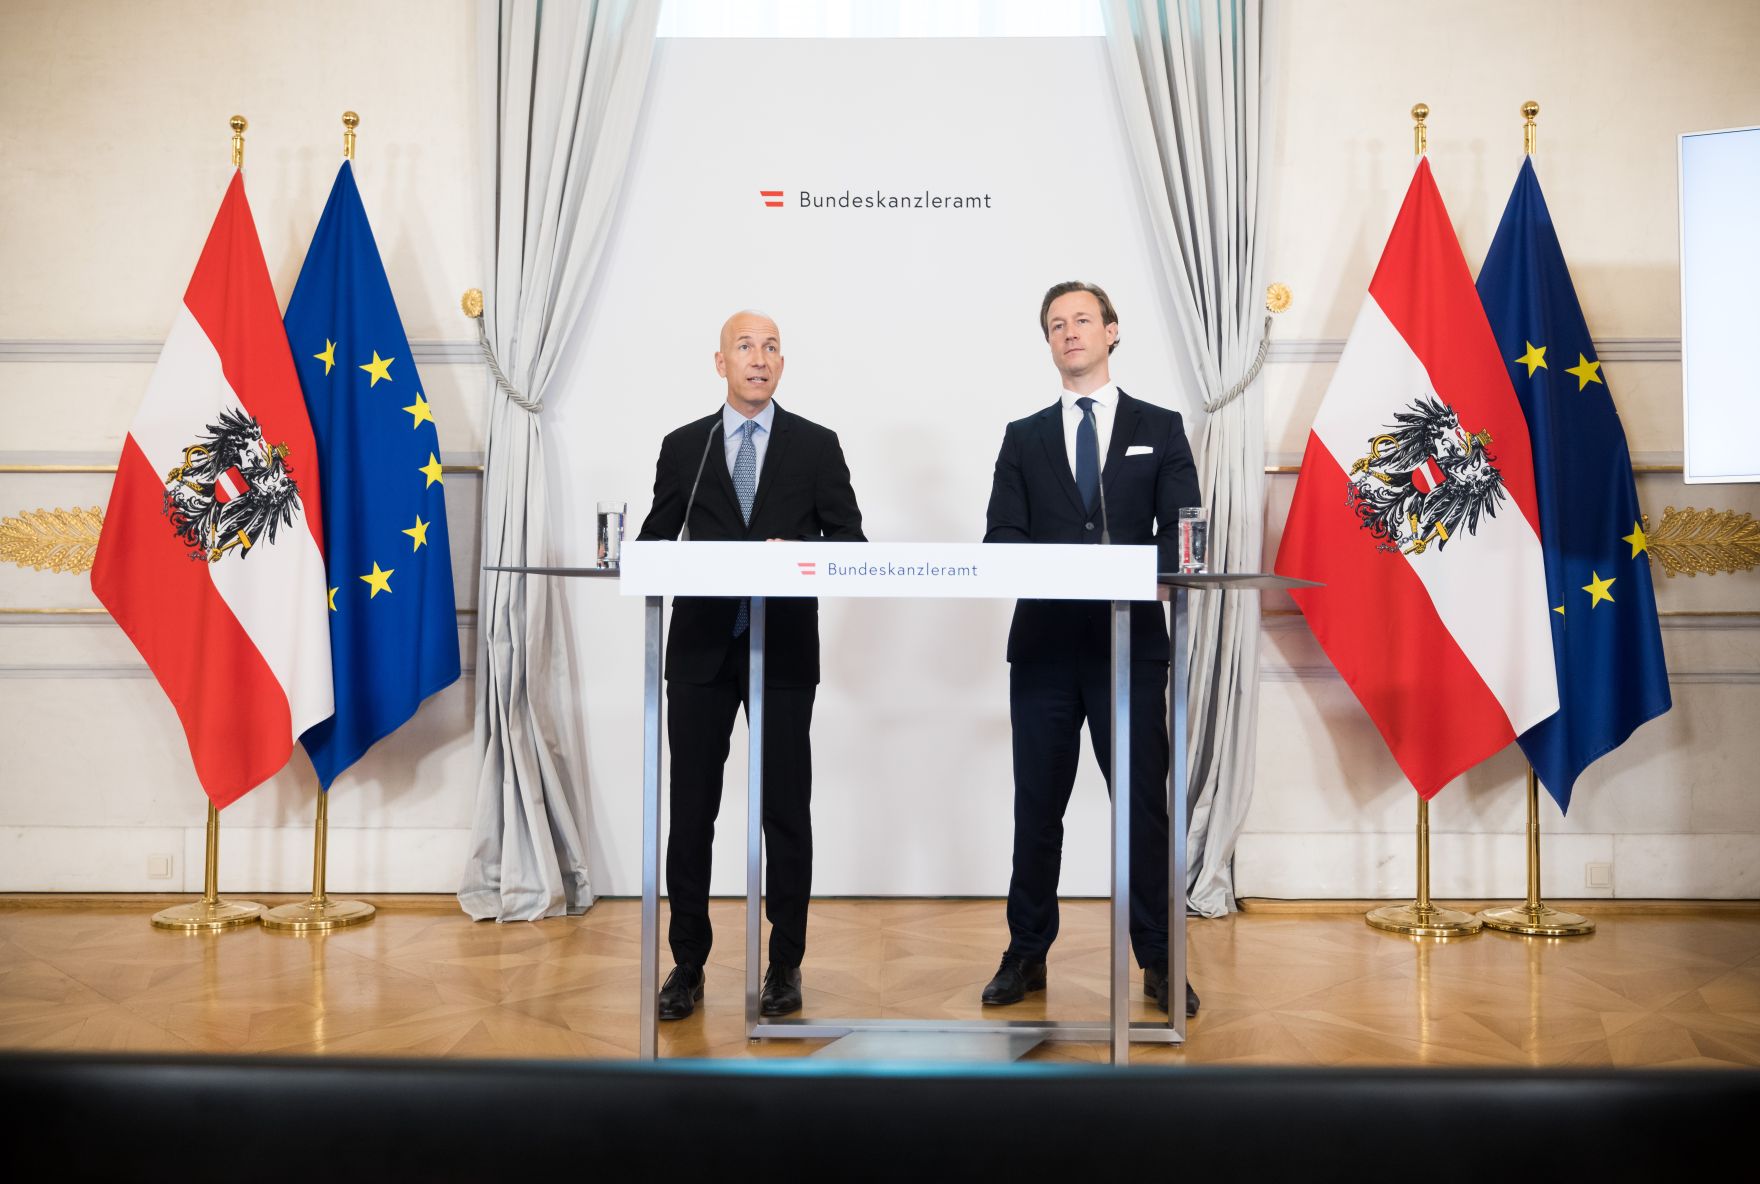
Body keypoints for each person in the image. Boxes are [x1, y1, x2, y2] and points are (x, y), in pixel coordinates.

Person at [980, 281, 1202, 1017]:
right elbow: (1002, 537)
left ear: (1112, 331)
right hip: (1043, 648)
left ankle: (1162, 959)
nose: (1069, 332)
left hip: (1128, 648)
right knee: (1037, 808)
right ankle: (1025, 952)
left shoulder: (1160, 427)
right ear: (1048, 344)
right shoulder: (1023, 435)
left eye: (1081, 320)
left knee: (1142, 806)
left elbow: (1181, 534)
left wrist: (1149, 567)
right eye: (1055, 324)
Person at [636, 310, 865, 1021]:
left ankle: (785, 965)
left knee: (784, 813)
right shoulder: (686, 447)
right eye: (745, 346)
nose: (758, 358)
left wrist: (792, 555)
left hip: (783, 650)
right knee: (692, 813)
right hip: (702, 651)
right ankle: (687, 964)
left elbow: (850, 542)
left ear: (781, 363)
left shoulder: (816, 446)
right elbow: (651, 543)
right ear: (720, 362)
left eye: (770, 348)